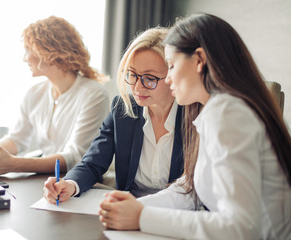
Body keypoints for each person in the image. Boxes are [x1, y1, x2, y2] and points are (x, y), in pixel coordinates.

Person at [99, 13, 291, 240]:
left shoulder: (230, 114)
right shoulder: (214, 109)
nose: (168, 79)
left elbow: (241, 228)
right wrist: (136, 207)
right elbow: (190, 190)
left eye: (170, 66)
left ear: (199, 60)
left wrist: (142, 217)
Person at [43, 27, 184, 203]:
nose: (138, 88)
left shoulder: (195, 115)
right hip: (127, 212)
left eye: (150, 78)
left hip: (176, 212)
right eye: (132, 74)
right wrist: (70, 184)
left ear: (173, 75)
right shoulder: (122, 110)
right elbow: (93, 163)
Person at [0, 16, 109, 176]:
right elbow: (17, 138)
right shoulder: (34, 93)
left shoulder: (93, 94)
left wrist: (14, 164)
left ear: (48, 52)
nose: (24, 58)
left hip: (74, 182)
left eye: (28, 50)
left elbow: (74, 158)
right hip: (44, 178)